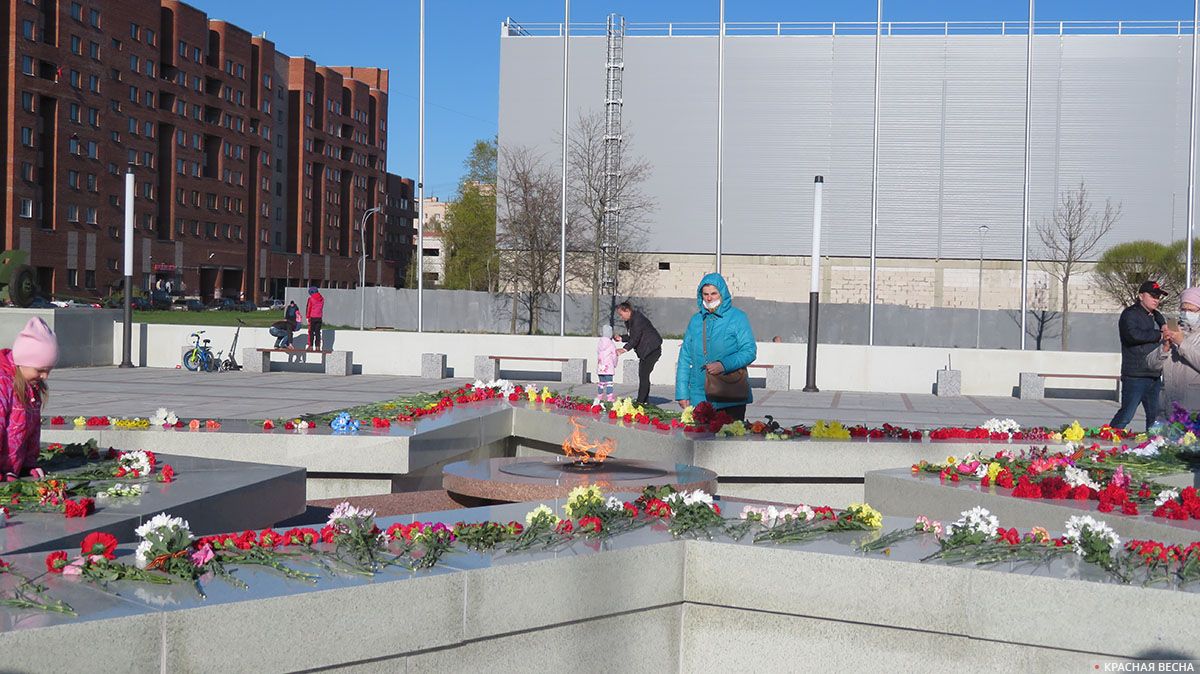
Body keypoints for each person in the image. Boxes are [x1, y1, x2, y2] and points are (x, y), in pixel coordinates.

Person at [675, 273, 757, 421]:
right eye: (705, 294)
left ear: (722, 293)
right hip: (699, 396)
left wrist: (724, 365)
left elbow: (749, 351)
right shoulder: (695, 321)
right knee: (700, 442)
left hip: (730, 395)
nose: (709, 297)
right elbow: (685, 357)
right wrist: (682, 393)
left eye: (713, 293)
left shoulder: (737, 317)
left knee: (729, 442)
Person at [0, 318, 57, 481]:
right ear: (22, 362)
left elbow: (31, 430)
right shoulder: (3, 384)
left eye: (49, 370)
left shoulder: (32, 387)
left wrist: (28, 464)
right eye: (40, 370)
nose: (45, 376)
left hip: (12, 469)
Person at [1110, 280, 1169, 431]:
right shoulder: (1130, 314)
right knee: (1126, 416)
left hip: (1154, 375)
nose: (1156, 299)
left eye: (1158, 296)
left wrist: (1163, 325)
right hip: (1135, 375)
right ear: (1141, 296)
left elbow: (1160, 321)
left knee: (1155, 417)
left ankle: (1153, 447)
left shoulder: (1156, 316)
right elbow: (1132, 335)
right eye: (1153, 295)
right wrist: (1159, 335)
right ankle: (1105, 443)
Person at [1148, 287, 1200, 411]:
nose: (1186, 313)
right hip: (1167, 407)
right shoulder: (1174, 330)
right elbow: (1151, 364)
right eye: (1183, 309)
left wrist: (1182, 343)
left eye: (1191, 310)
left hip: (1193, 411)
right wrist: (1164, 347)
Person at [615, 301, 662, 404]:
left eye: (621, 314)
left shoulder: (637, 320)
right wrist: (621, 338)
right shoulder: (631, 320)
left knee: (644, 375)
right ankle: (644, 401)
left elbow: (635, 338)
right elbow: (633, 336)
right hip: (647, 351)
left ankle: (641, 402)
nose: (620, 317)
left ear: (627, 310)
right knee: (643, 375)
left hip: (651, 350)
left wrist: (623, 349)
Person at [595, 324, 618, 404]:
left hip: (601, 367)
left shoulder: (599, 343)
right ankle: (609, 398)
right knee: (609, 383)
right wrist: (615, 364)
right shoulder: (611, 344)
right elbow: (614, 355)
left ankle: (599, 396)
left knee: (601, 383)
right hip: (609, 367)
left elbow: (598, 353)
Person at [306, 286, 325, 351]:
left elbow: (309, 308)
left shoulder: (311, 299)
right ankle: (318, 347)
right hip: (319, 317)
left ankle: (311, 346)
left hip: (313, 317)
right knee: (317, 332)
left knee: (311, 332)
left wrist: (307, 316)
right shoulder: (322, 299)